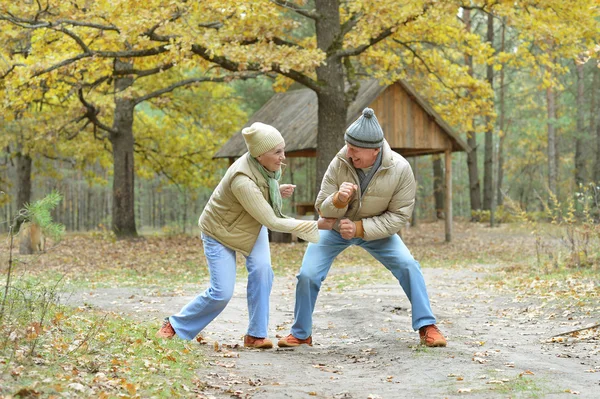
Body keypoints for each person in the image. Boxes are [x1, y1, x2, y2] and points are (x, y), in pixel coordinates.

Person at [277, 108, 447, 348]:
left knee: (408, 266)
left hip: (376, 230)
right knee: (307, 274)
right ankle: (301, 333)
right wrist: (338, 201)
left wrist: (359, 229)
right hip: (335, 229)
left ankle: (427, 326)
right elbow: (321, 208)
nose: (349, 152)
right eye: (348, 146)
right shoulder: (339, 162)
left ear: (375, 150)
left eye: (355, 149)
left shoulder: (400, 169)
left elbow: (399, 216)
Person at [156, 122, 335, 349]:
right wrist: (317, 224)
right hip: (220, 231)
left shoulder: (267, 166)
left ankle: (256, 335)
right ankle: (174, 325)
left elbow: (261, 193)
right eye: (277, 152)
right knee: (221, 292)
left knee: (263, 272)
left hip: (250, 226)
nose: (283, 158)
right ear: (259, 155)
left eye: (283, 150)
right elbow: (271, 220)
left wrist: (275, 191)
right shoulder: (241, 179)